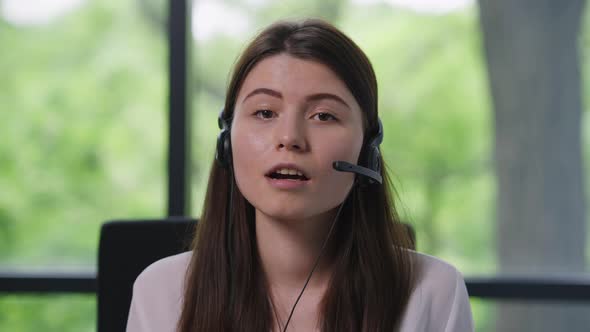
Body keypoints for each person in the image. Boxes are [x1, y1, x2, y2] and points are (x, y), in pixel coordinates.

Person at [126, 18, 474, 332]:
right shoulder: (162, 292)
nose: (289, 138)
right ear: (227, 143)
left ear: (367, 148)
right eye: (264, 112)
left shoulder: (434, 292)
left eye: (324, 116)